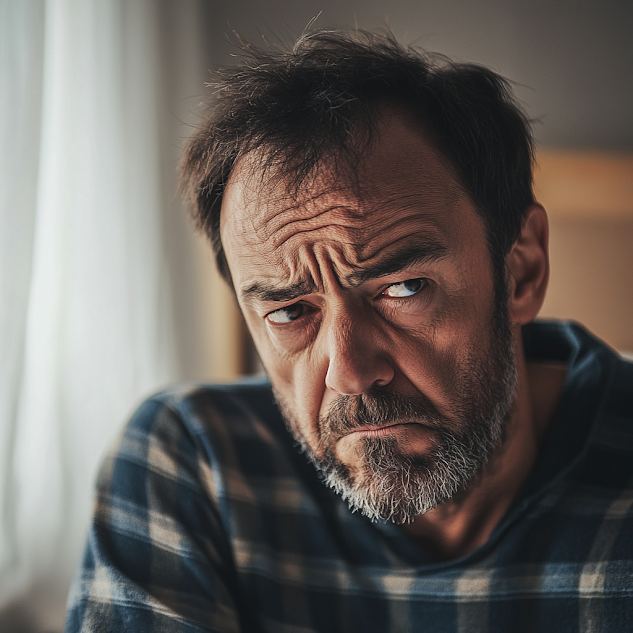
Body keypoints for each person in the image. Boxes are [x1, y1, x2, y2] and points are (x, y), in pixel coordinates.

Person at [65, 30, 633, 633]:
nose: (351, 370)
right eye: (289, 312)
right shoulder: (194, 463)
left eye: (403, 288)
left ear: (520, 268)